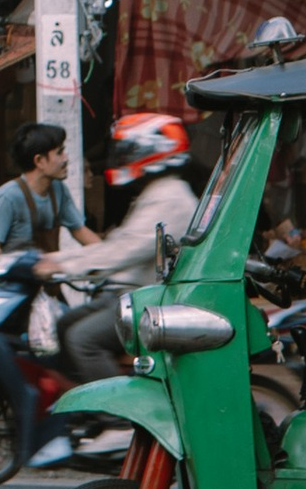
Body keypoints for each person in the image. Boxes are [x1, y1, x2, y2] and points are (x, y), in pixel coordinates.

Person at [41, 111, 202, 388]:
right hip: (134, 294)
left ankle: (117, 417)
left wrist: (62, 264)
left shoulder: (170, 198)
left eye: (129, 151)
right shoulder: (157, 191)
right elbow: (119, 245)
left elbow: (124, 250)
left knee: (83, 340)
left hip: (152, 302)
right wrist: (60, 261)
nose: (123, 159)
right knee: (65, 323)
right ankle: (82, 403)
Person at [0, 120, 84, 268]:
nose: (66, 158)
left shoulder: (59, 190)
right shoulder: (7, 197)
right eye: (60, 152)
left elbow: (80, 231)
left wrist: (111, 258)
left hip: (42, 285)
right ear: (40, 161)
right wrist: (19, 270)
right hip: (6, 288)